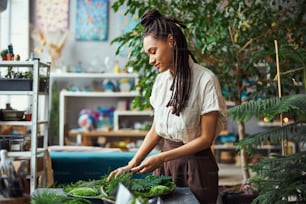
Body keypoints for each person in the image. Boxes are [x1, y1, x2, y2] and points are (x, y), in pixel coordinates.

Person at [108, 9, 227, 203]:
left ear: (171, 41)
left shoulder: (205, 79)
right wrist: (132, 164)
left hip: (197, 168)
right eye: (148, 54)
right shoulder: (161, 81)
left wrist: (162, 158)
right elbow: (156, 130)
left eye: (153, 51)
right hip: (165, 167)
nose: (150, 60)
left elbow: (206, 139)